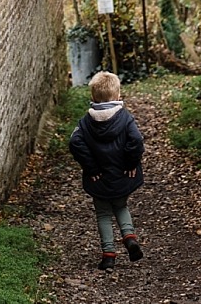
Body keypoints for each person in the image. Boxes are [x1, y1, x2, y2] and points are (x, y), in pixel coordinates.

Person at [69, 71, 146, 271]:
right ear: (118, 95)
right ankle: (129, 238)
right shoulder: (125, 118)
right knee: (121, 207)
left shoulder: (86, 122)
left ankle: (109, 255)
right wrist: (130, 163)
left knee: (103, 214)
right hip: (121, 175)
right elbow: (136, 140)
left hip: (99, 179)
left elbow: (75, 142)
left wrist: (91, 167)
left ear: (93, 97)